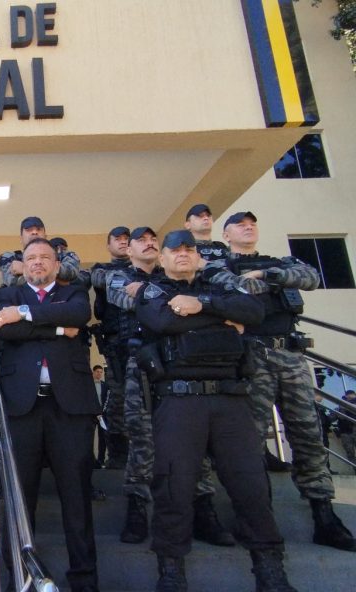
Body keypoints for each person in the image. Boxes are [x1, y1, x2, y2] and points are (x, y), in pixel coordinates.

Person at [135, 229, 297, 592]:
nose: (182, 254)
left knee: (251, 486)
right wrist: (223, 318)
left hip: (230, 400)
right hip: (179, 401)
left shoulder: (218, 286)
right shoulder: (152, 291)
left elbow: (254, 311)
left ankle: (270, 570)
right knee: (173, 486)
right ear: (161, 259)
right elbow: (163, 322)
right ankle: (172, 571)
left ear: (198, 256)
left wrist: (202, 305)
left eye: (189, 249)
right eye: (174, 250)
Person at [204, 211, 356, 552]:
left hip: (291, 356)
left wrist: (267, 272)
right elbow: (238, 286)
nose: (248, 227)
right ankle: (257, 516)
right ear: (226, 235)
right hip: (251, 357)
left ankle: (324, 515)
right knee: (251, 440)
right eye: (240, 224)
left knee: (308, 436)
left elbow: (310, 276)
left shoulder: (279, 260)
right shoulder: (217, 266)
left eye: (252, 223)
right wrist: (273, 279)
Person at [105, 227, 234, 547]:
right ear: (128, 250)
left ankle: (203, 509)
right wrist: (186, 303)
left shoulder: (182, 278)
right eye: (141, 241)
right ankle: (137, 509)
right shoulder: (117, 277)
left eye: (153, 240)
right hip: (144, 367)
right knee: (142, 438)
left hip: (187, 366)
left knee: (196, 439)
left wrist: (184, 299)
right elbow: (131, 302)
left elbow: (223, 303)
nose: (148, 243)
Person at [0, 237, 100, 592]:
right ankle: (20, 578)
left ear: (56, 264)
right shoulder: (9, 295)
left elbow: (78, 317)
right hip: (21, 407)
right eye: (31, 258)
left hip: (69, 407)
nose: (38, 262)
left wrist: (26, 316)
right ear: (22, 265)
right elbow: (4, 329)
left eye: (45, 257)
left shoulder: (73, 293)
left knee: (76, 496)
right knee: (20, 497)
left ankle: (84, 580)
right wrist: (57, 329)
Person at [89, 226, 132, 469]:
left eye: (128, 239)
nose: (123, 242)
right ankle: (118, 455)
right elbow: (100, 282)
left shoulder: (150, 272)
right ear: (108, 245)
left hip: (146, 343)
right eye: (118, 239)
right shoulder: (101, 270)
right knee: (117, 399)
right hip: (116, 344)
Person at [0, 216, 80, 287]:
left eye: (39, 229)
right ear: (21, 238)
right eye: (29, 230)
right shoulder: (9, 257)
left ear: (45, 236)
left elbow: (72, 274)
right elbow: (13, 282)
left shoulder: (64, 255)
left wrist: (24, 269)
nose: (34, 232)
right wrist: (60, 280)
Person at [92, 365, 109, 468]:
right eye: (97, 372)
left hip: (102, 415)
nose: (99, 374)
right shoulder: (89, 385)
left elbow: (106, 399)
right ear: (93, 372)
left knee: (102, 438)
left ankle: (100, 459)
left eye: (100, 372)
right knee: (89, 437)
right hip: (92, 415)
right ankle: (90, 459)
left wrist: (102, 412)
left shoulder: (105, 385)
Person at [337, 390, 356, 474]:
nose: (351, 397)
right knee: (350, 451)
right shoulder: (341, 405)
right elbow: (339, 416)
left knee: (350, 452)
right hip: (345, 431)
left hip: (352, 429)